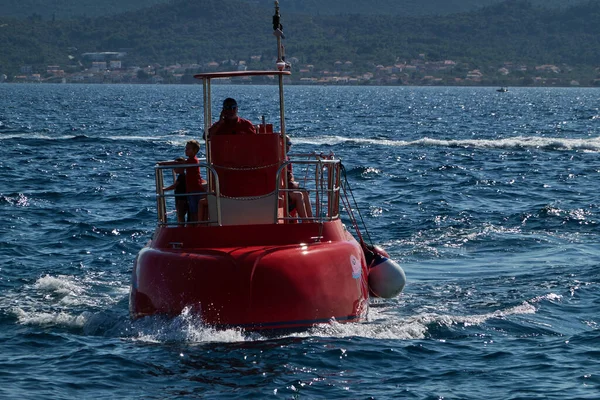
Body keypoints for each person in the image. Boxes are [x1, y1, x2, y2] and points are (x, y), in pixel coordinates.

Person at [286, 137, 313, 220]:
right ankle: (305, 221)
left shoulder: (286, 158)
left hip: (287, 189)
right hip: (280, 192)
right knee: (298, 195)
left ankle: (311, 220)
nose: (288, 146)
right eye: (287, 144)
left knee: (304, 192)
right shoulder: (279, 159)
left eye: (290, 144)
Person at [162, 157, 188, 224]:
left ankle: (181, 227)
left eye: (175, 167)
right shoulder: (183, 176)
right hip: (181, 198)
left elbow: (175, 186)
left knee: (180, 214)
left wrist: (165, 189)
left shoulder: (181, 176)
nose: (174, 168)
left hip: (181, 199)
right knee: (181, 214)